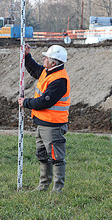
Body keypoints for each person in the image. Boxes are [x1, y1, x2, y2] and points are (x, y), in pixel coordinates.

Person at [18, 44, 70, 192]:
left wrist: (26, 103)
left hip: (53, 125)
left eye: (46, 58)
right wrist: (27, 56)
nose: (43, 59)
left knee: (56, 157)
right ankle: (43, 185)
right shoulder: (48, 72)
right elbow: (35, 69)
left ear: (54, 62)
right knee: (42, 154)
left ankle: (57, 189)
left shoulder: (59, 80)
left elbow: (44, 101)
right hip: (42, 123)